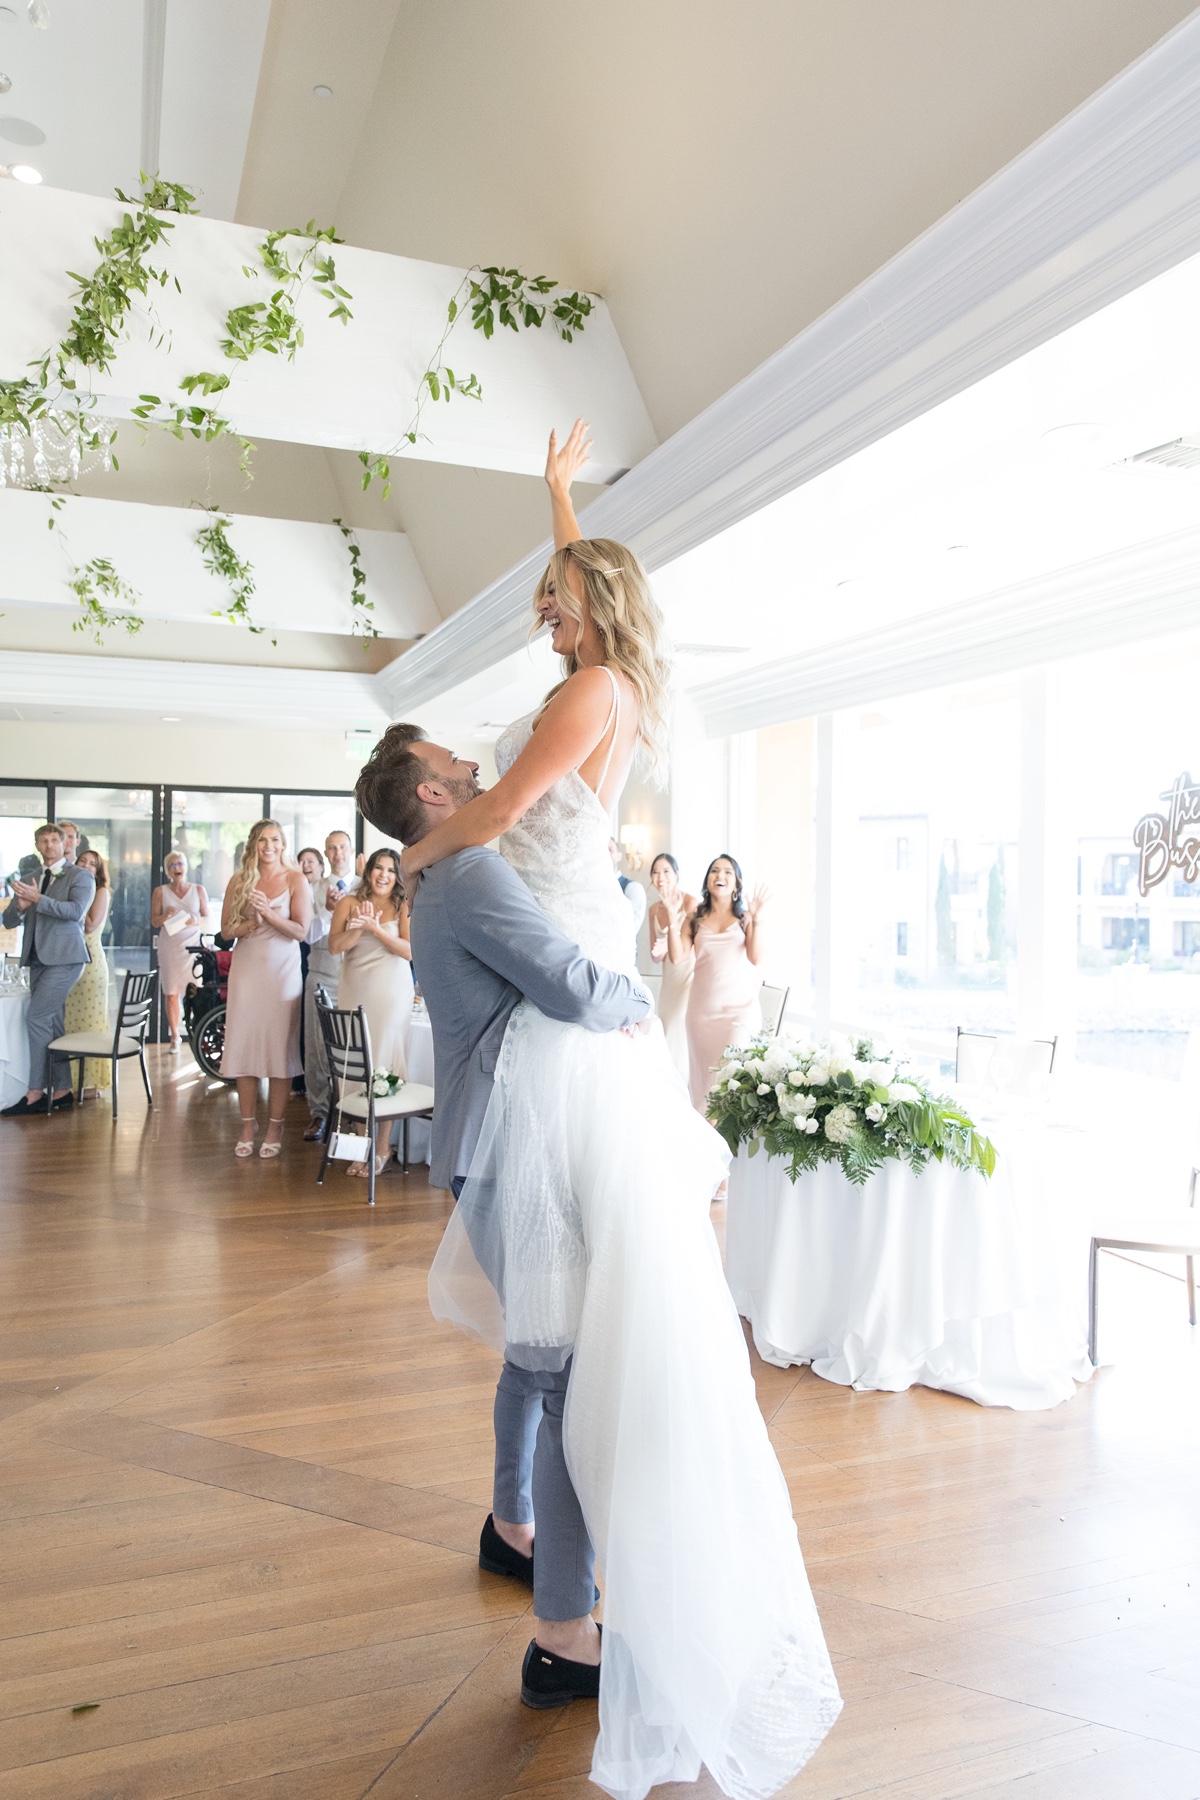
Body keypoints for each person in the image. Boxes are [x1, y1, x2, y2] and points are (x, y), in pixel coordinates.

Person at [389, 420, 840, 1798]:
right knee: (583, 1340)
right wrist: (556, 493)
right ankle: (566, 1582)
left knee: (583, 1342)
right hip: (571, 1016)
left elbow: (510, 803)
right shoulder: (612, 680)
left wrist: (420, 854)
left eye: (551, 601)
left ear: (594, 607)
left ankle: (570, 1582)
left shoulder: (584, 706)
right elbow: (576, 609)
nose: (538, 618)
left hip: (572, 1042)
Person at [357, 726, 652, 1705]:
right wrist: (638, 997)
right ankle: (565, 1635)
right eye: (457, 767)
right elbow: (566, 984)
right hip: (514, 1152)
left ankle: (509, 1527)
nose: (478, 769)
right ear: (433, 798)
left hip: (485, 1148)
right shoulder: (469, 878)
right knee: (563, 1377)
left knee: (536, 1353)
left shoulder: (442, 877)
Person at [220, 820, 312, 1159]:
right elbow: (226, 931)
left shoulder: (295, 880)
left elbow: (301, 931)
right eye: (262, 840)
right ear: (253, 845)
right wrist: (251, 922)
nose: (268, 845)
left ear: (283, 844)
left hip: (282, 973)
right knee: (243, 1047)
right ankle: (248, 1124)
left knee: (278, 1051)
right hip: (247, 972)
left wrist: (268, 915)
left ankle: (275, 1124)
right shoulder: (239, 880)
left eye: (274, 839)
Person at [327, 847, 414, 1180]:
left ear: (397, 877)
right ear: (369, 871)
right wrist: (360, 928)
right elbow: (335, 947)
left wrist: (377, 930)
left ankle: (382, 1148)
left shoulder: (401, 905)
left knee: (385, 1063)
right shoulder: (349, 903)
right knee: (356, 1065)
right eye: (378, 868)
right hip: (354, 992)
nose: (383, 875)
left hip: (391, 995)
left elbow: (409, 951)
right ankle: (361, 1143)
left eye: (391, 871)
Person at [1, 824, 95, 1117]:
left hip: (66, 958)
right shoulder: (29, 878)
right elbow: (8, 920)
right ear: (38, 846)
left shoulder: (81, 876)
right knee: (52, 1023)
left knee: (36, 1017)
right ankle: (63, 1090)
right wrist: (20, 904)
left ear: (65, 842)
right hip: (37, 958)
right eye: (44, 841)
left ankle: (35, 1091)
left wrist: (39, 900)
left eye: (55, 840)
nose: (50, 845)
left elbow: (75, 913)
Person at [670, 854, 767, 1113]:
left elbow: (755, 958)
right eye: (714, 871)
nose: (720, 876)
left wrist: (757, 919)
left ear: (736, 884)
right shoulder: (695, 917)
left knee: (727, 1082)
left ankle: (724, 1146)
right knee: (703, 1090)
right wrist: (671, 918)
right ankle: (708, 1146)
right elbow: (677, 956)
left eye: (727, 872)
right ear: (708, 880)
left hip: (738, 1013)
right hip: (701, 1016)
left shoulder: (745, 918)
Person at [303, 830, 357, 1142]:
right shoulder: (312, 888)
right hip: (321, 973)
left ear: (350, 851)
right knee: (317, 1048)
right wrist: (325, 909)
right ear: (326, 853)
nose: (337, 853)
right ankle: (319, 1113)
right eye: (331, 849)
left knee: (353, 1046)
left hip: (354, 975)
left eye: (342, 848)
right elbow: (308, 936)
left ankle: (352, 1113)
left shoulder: (365, 885)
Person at [151, 851, 213, 1053]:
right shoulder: (160, 891)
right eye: (172, 865)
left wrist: (195, 920)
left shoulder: (198, 890)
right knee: (171, 993)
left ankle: (197, 1032)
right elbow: (154, 921)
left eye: (180, 864)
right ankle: (175, 1036)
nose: (177, 868)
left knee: (195, 990)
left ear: (186, 866)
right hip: (170, 945)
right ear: (167, 870)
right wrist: (166, 914)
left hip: (192, 945)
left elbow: (207, 918)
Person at [63, 849, 112, 1095]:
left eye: (92, 864)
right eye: (82, 861)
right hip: (72, 961)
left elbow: (91, 925)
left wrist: (69, 910)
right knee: (72, 1023)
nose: (85, 865)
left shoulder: (100, 892)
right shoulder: (75, 888)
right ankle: (72, 1080)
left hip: (91, 963)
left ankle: (91, 1083)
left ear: (98, 871)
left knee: (90, 1024)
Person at [647, 852, 697, 1081]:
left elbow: (694, 946)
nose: (661, 877)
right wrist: (660, 950)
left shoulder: (690, 903)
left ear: (676, 875)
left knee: (679, 1033)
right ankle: (668, 1086)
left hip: (688, 977)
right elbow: (655, 957)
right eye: (656, 872)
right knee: (666, 1032)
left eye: (666, 871)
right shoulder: (654, 910)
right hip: (669, 981)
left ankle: (683, 1085)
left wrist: (671, 945)